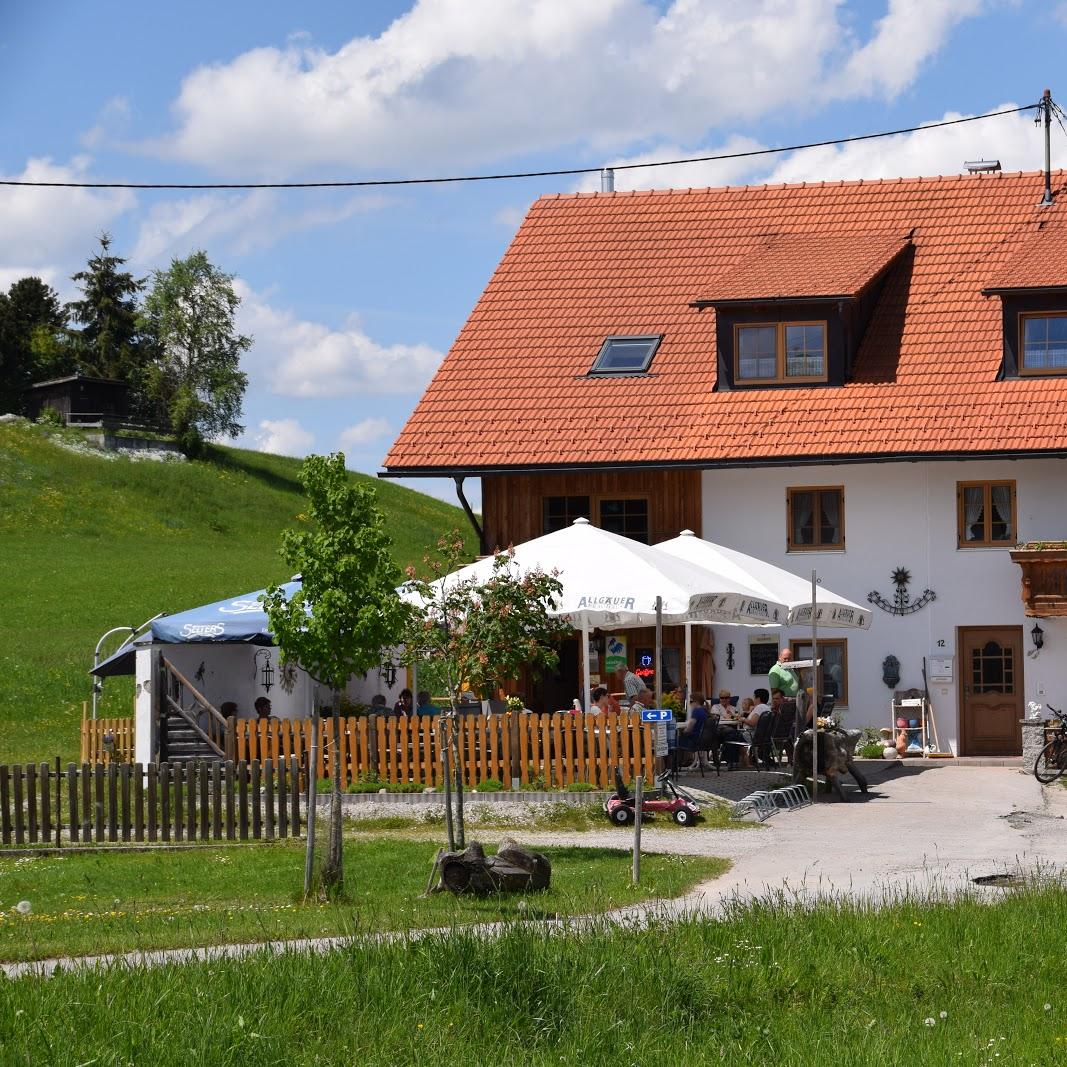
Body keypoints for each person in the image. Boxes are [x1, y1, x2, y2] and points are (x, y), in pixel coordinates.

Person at [677, 694, 710, 770]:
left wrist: (683, 732)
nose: (690, 704)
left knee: (677, 741)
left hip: (695, 741)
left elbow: (690, 727)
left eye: (691, 702)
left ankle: (676, 765)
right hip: (703, 740)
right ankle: (686, 762)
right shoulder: (704, 711)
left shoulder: (696, 711)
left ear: (697, 702)